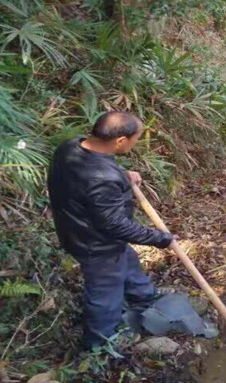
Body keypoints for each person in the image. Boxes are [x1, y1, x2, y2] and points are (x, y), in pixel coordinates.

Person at [48, 111, 175, 350]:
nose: (136, 142)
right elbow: (115, 225)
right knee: (104, 293)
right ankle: (98, 344)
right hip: (95, 244)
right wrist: (161, 239)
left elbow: (87, 182)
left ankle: (143, 296)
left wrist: (122, 175)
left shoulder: (71, 147)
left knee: (126, 259)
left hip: (76, 228)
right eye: (136, 138)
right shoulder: (102, 179)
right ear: (119, 141)